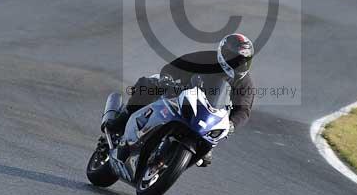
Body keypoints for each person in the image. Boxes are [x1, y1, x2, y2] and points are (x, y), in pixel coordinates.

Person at [105, 33, 256, 167]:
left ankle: (172, 159)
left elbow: (243, 109)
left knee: (206, 154)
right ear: (224, 54)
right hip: (180, 96)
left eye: (244, 61)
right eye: (236, 60)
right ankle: (121, 120)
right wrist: (167, 78)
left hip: (208, 118)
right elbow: (174, 66)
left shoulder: (245, 83)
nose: (239, 65)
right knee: (149, 84)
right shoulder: (206, 58)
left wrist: (232, 124)